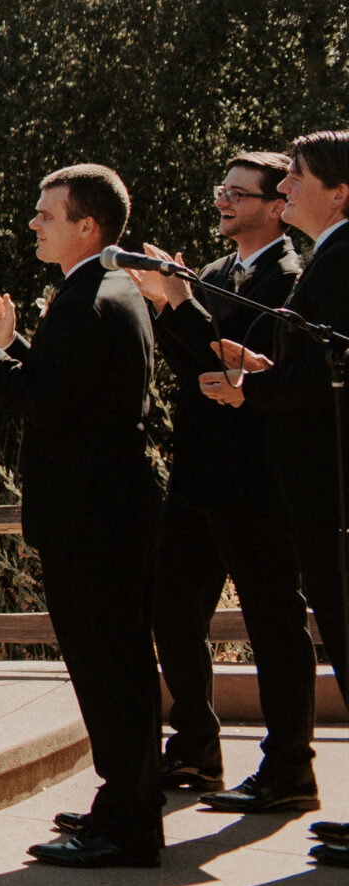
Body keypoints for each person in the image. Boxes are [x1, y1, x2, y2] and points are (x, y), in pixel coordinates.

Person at [0, 164, 163, 869]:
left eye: (46, 212)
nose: (34, 221)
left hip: (92, 516)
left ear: (86, 225)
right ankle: (124, 803)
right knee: (117, 663)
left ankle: (128, 825)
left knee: (108, 666)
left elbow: (41, 402)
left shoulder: (89, 296)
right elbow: (67, 389)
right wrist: (8, 341)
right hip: (109, 510)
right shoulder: (109, 286)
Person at [129, 151, 314, 810]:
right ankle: (197, 749)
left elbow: (243, 366)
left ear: (276, 205)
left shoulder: (294, 280)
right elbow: (191, 368)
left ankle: (290, 765)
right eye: (221, 189)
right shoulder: (208, 274)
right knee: (172, 611)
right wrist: (167, 303)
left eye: (239, 193)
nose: (223, 201)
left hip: (259, 479)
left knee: (273, 621)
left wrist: (181, 304)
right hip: (196, 476)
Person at [206, 132, 349, 791]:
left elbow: (323, 383)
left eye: (296, 176)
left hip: (330, 487)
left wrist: (251, 387)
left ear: (339, 190)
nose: (285, 186)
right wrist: (267, 369)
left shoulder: (339, 257)